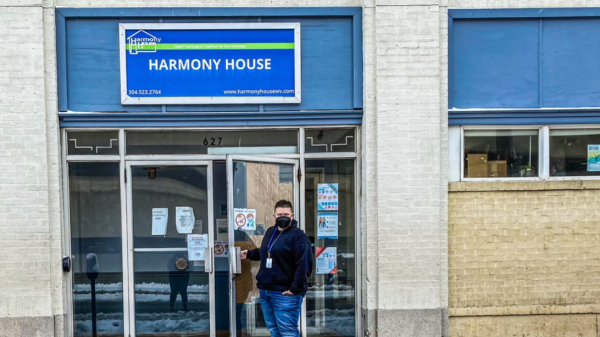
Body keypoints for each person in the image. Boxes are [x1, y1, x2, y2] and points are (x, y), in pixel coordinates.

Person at [240, 199, 313, 337]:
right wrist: (249, 254)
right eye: (279, 214)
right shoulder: (270, 232)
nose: (283, 217)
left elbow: (304, 265)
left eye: (286, 214)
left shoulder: (299, 237)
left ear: (292, 216)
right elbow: (267, 251)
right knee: (274, 330)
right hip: (266, 291)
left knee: (288, 332)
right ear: (274, 216)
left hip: (285, 293)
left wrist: (294, 289)